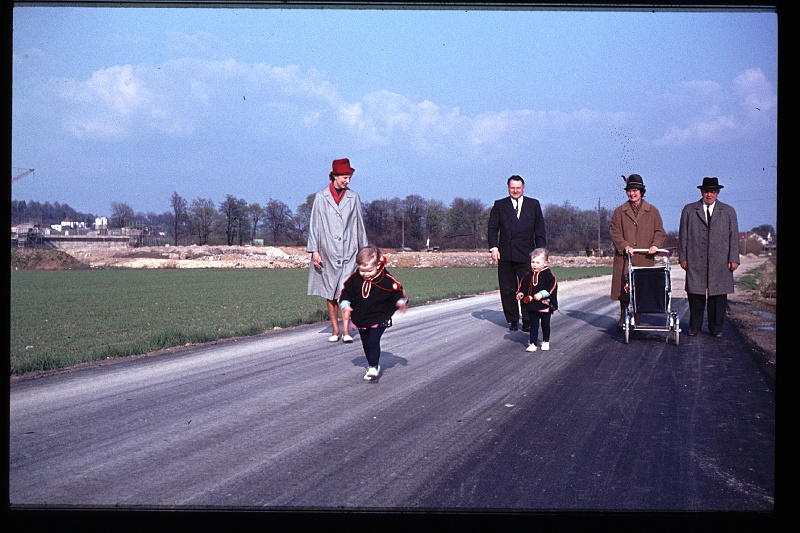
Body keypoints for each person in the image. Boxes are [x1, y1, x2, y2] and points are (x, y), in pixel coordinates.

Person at [307, 158, 369, 343]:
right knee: (330, 292)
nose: (347, 181)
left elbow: (359, 225)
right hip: (327, 252)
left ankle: (346, 330)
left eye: (349, 177)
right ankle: (335, 329)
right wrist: (314, 251)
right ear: (334, 176)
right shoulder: (321, 197)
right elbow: (314, 225)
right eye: (344, 177)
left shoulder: (353, 197)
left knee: (345, 292)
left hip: (349, 252)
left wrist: (364, 252)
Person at [678, 177, 740, 337]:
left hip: (720, 260)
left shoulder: (728, 211)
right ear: (701, 192)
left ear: (717, 193)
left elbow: (734, 236)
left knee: (718, 294)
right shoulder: (689, 210)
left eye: (712, 191)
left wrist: (734, 258)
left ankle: (716, 328)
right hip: (695, 258)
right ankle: (694, 326)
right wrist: (683, 257)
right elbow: (683, 235)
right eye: (706, 191)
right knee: (695, 293)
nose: (709, 195)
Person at [487, 175, 547, 332]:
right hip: (505, 254)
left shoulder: (533, 204)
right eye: (512, 188)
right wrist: (493, 248)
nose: (515, 191)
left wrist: (541, 252)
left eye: (518, 188)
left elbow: (540, 230)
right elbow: (492, 228)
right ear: (508, 188)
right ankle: (513, 319)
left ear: (523, 188)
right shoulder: (500, 205)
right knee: (508, 289)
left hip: (527, 255)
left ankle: (527, 320)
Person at [340, 246, 408, 380]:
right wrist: (346, 305)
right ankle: (372, 362)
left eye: (369, 270)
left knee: (373, 340)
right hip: (362, 317)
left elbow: (396, 291)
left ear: (378, 265)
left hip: (379, 316)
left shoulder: (385, 279)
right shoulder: (355, 279)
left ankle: (373, 366)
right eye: (362, 270)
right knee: (366, 343)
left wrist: (400, 302)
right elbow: (346, 292)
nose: (365, 274)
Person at [609, 174, 666, 331]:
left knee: (641, 288)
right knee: (624, 288)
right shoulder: (619, 212)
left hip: (644, 257)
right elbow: (614, 231)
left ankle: (637, 317)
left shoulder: (652, 211)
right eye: (629, 191)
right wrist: (624, 245)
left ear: (641, 191)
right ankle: (623, 315)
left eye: (635, 190)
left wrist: (655, 245)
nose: (632, 194)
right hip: (625, 257)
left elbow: (660, 231)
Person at [516, 248, 558, 352]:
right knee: (533, 325)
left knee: (545, 324)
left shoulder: (548, 275)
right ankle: (533, 343)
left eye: (538, 262)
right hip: (532, 305)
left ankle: (545, 341)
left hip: (544, 305)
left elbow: (552, 286)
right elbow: (523, 286)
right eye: (533, 262)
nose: (534, 265)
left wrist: (542, 294)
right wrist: (520, 293)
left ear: (545, 263)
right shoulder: (528, 275)